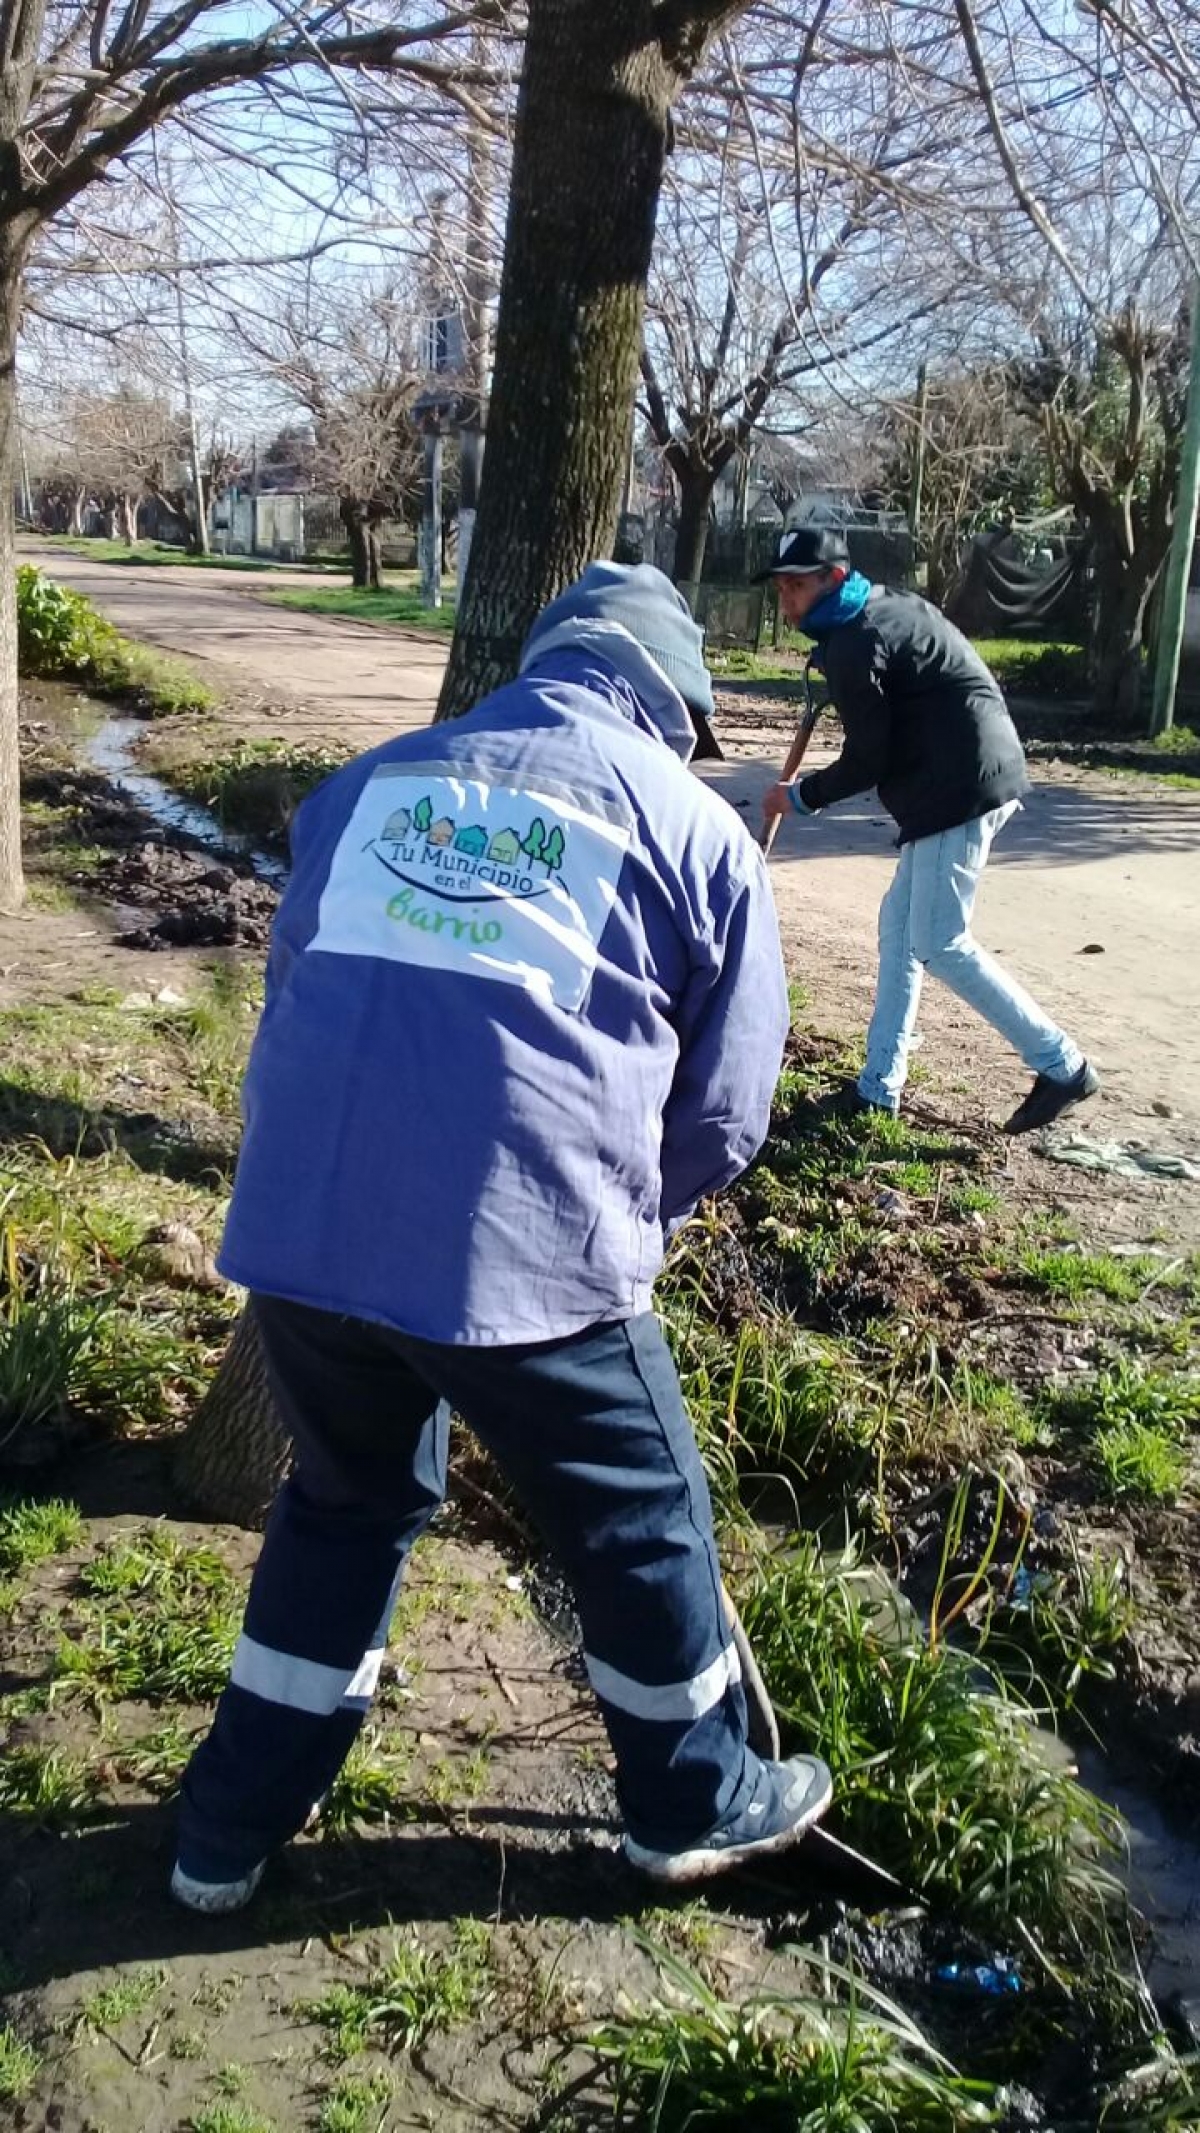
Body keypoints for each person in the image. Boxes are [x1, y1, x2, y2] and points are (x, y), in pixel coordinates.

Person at [172, 562, 832, 1915]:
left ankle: (222, 1833)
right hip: (530, 1252)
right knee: (643, 1521)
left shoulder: (365, 787)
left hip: (305, 1237)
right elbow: (728, 1110)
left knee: (344, 1508)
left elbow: (298, 994)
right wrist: (630, 1215)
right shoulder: (699, 837)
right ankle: (694, 1799)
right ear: (671, 705)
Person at [758, 527, 1099, 1134]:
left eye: (798, 585)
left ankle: (1062, 1063)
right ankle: (876, 1090)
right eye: (782, 586)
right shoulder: (876, 607)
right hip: (961, 774)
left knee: (940, 940)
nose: (788, 600)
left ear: (833, 579)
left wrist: (799, 797)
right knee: (900, 929)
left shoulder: (853, 643)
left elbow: (869, 760)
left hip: (959, 788)